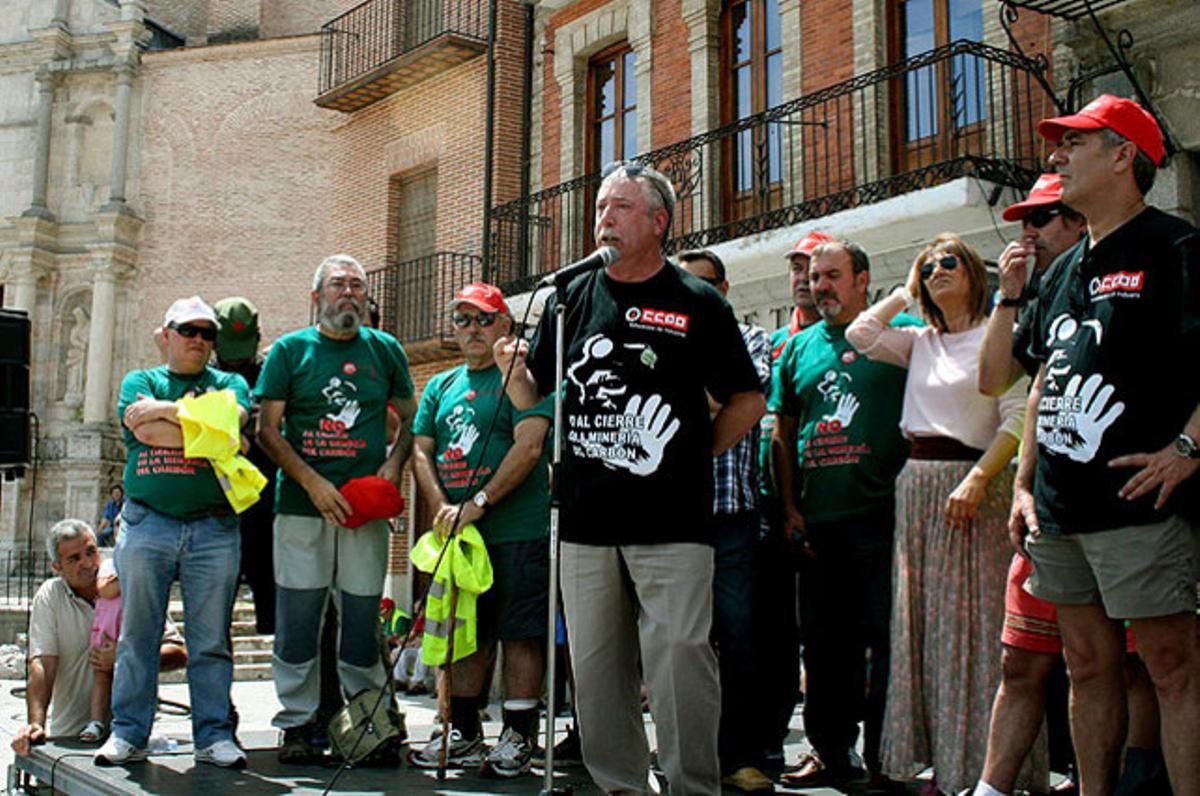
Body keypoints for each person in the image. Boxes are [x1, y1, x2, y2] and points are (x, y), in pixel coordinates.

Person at [495, 160, 765, 795]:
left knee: (679, 663)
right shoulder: (570, 298)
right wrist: (513, 368)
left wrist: (694, 457)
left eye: (619, 208)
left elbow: (747, 401)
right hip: (586, 521)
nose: (603, 220)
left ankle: (692, 785)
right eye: (599, 209)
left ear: (658, 221)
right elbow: (536, 390)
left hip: (672, 521)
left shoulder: (696, 301)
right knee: (595, 669)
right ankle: (620, 785)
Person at [1009, 94, 1200, 796]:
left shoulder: (1176, 247)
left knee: (1171, 665)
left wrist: (1188, 448)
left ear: (1124, 156)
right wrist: (1025, 485)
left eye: (1076, 144)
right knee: (1087, 667)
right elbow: (1037, 382)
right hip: (1060, 511)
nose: (1056, 156)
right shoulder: (1061, 270)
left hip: (1138, 507)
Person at [847, 234, 1028, 794]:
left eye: (950, 261)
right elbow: (861, 333)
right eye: (928, 266)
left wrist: (978, 478)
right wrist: (903, 293)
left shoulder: (1001, 334)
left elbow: (1018, 418)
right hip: (917, 487)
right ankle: (934, 763)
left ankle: (978, 769)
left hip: (973, 486)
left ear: (975, 271)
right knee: (921, 629)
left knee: (973, 632)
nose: (938, 271)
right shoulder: (919, 341)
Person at [256, 254, 416, 765]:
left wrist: (394, 465)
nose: (349, 294)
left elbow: (413, 420)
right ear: (316, 297)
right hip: (302, 507)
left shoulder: (385, 350)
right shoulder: (289, 351)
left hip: (364, 513)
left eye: (357, 286)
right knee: (300, 619)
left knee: (364, 617)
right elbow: (266, 430)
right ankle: (298, 725)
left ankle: (369, 722)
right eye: (338, 285)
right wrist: (312, 481)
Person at [772, 239, 919, 790]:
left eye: (832, 275)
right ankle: (830, 752)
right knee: (825, 643)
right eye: (814, 277)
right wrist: (788, 506)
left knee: (885, 642)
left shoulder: (902, 331)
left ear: (862, 278)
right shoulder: (797, 348)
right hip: (817, 523)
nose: (821, 287)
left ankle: (888, 755)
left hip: (886, 517)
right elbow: (782, 432)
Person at [96, 296, 252, 769]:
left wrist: (164, 411)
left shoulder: (230, 382)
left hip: (214, 526)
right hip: (149, 523)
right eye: (190, 331)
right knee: (138, 635)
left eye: (208, 334)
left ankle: (213, 735)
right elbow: (145, 435)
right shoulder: (138, 380)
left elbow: (237, 429)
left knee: (210, 639)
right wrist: (208, 428)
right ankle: (127, 733)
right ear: (166, 335)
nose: (200, 341)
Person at [971, 176, 1088, 796]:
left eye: (1042, 218)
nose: (1028, 233)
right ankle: (992, 789)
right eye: (1023, 220)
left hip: (1109, 510)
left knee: (1122, 667)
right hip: (1043, 507)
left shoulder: (1114, 274)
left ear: (1076, 220)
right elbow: (993, 379)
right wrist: (1007, 297)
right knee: (1020, 661)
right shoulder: (1038, 296)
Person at [407, 281, 553, 778]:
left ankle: (518, 735)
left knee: (520, 634)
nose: (473, 329)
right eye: (463, 319)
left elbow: (531, 446)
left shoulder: (521, 378)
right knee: (462, 635)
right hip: (459, 537)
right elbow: (420, 449)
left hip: (516, 529)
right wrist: (443, 506)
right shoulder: (442, 385)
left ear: (505, 325)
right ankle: (463, 732)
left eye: (484, 318)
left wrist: (481, 502)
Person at [677, 249, 774, 793]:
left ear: (726, 289)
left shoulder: (754, 341)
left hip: (730, 514)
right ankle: (683, 753)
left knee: (737, 638)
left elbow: (740, 400)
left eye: (706, 285)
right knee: (677, 642)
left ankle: (739, 755)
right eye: (685, 284)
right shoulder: (665, 339)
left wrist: (696, 396)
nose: (696, 294)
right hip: (673, 517)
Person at [11, 520, 186, 756]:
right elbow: (42, 663)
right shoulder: (51, 597)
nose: (87, 563)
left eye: (91, 552)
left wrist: (126, 655)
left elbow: (178, 653)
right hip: (71, 736)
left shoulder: (129, 588)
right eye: (74, 559)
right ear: (56, 566)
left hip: (133, 740)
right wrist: (36, 723)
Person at [757, 229, 833, 767]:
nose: (804, 278)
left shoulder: (855, 336)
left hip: (833, 508)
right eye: (798, 267)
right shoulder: (775, 345)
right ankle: (770, 742)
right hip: (776, 512)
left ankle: (829, 746)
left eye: (816, 267)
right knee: (774, 635)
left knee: (830, 635)